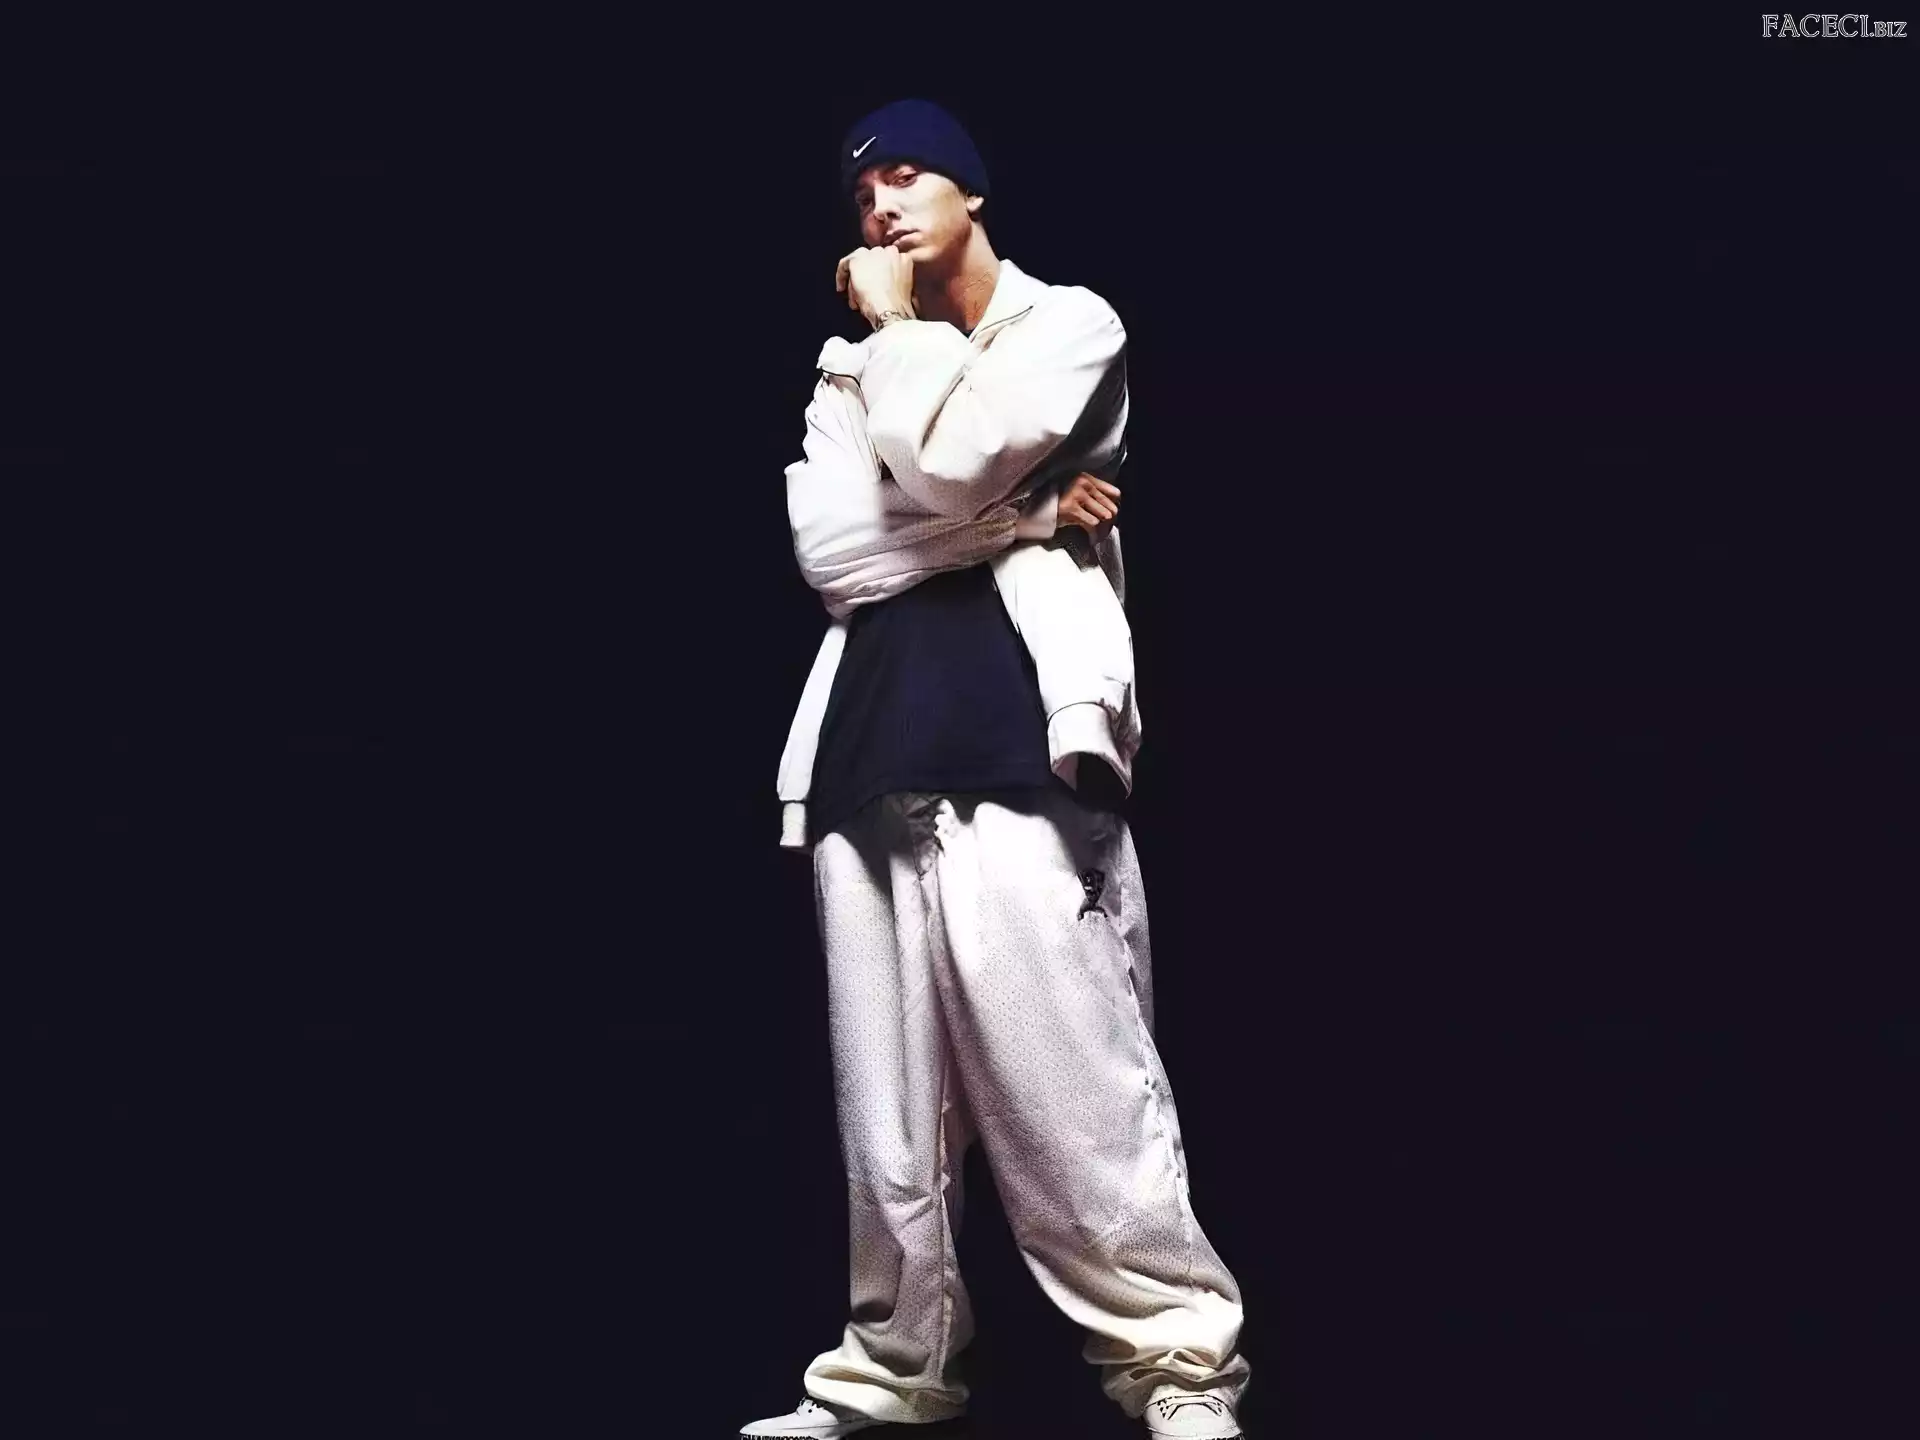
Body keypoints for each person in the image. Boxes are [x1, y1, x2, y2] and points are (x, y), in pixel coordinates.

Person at [743, 100, 1252, 1440]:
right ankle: (891, 1372)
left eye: (907, 176)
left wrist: (905, 344)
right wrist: (1024, 517)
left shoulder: (1068, 326)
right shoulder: (843, 370)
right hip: (865, 742)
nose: (880, 206)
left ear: (971, 191)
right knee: (889, 1121)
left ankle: (1180, 1365)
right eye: (862, 195)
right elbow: (831, 553)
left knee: (1072, 1083)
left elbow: (952, 457)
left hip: (1021, 733)